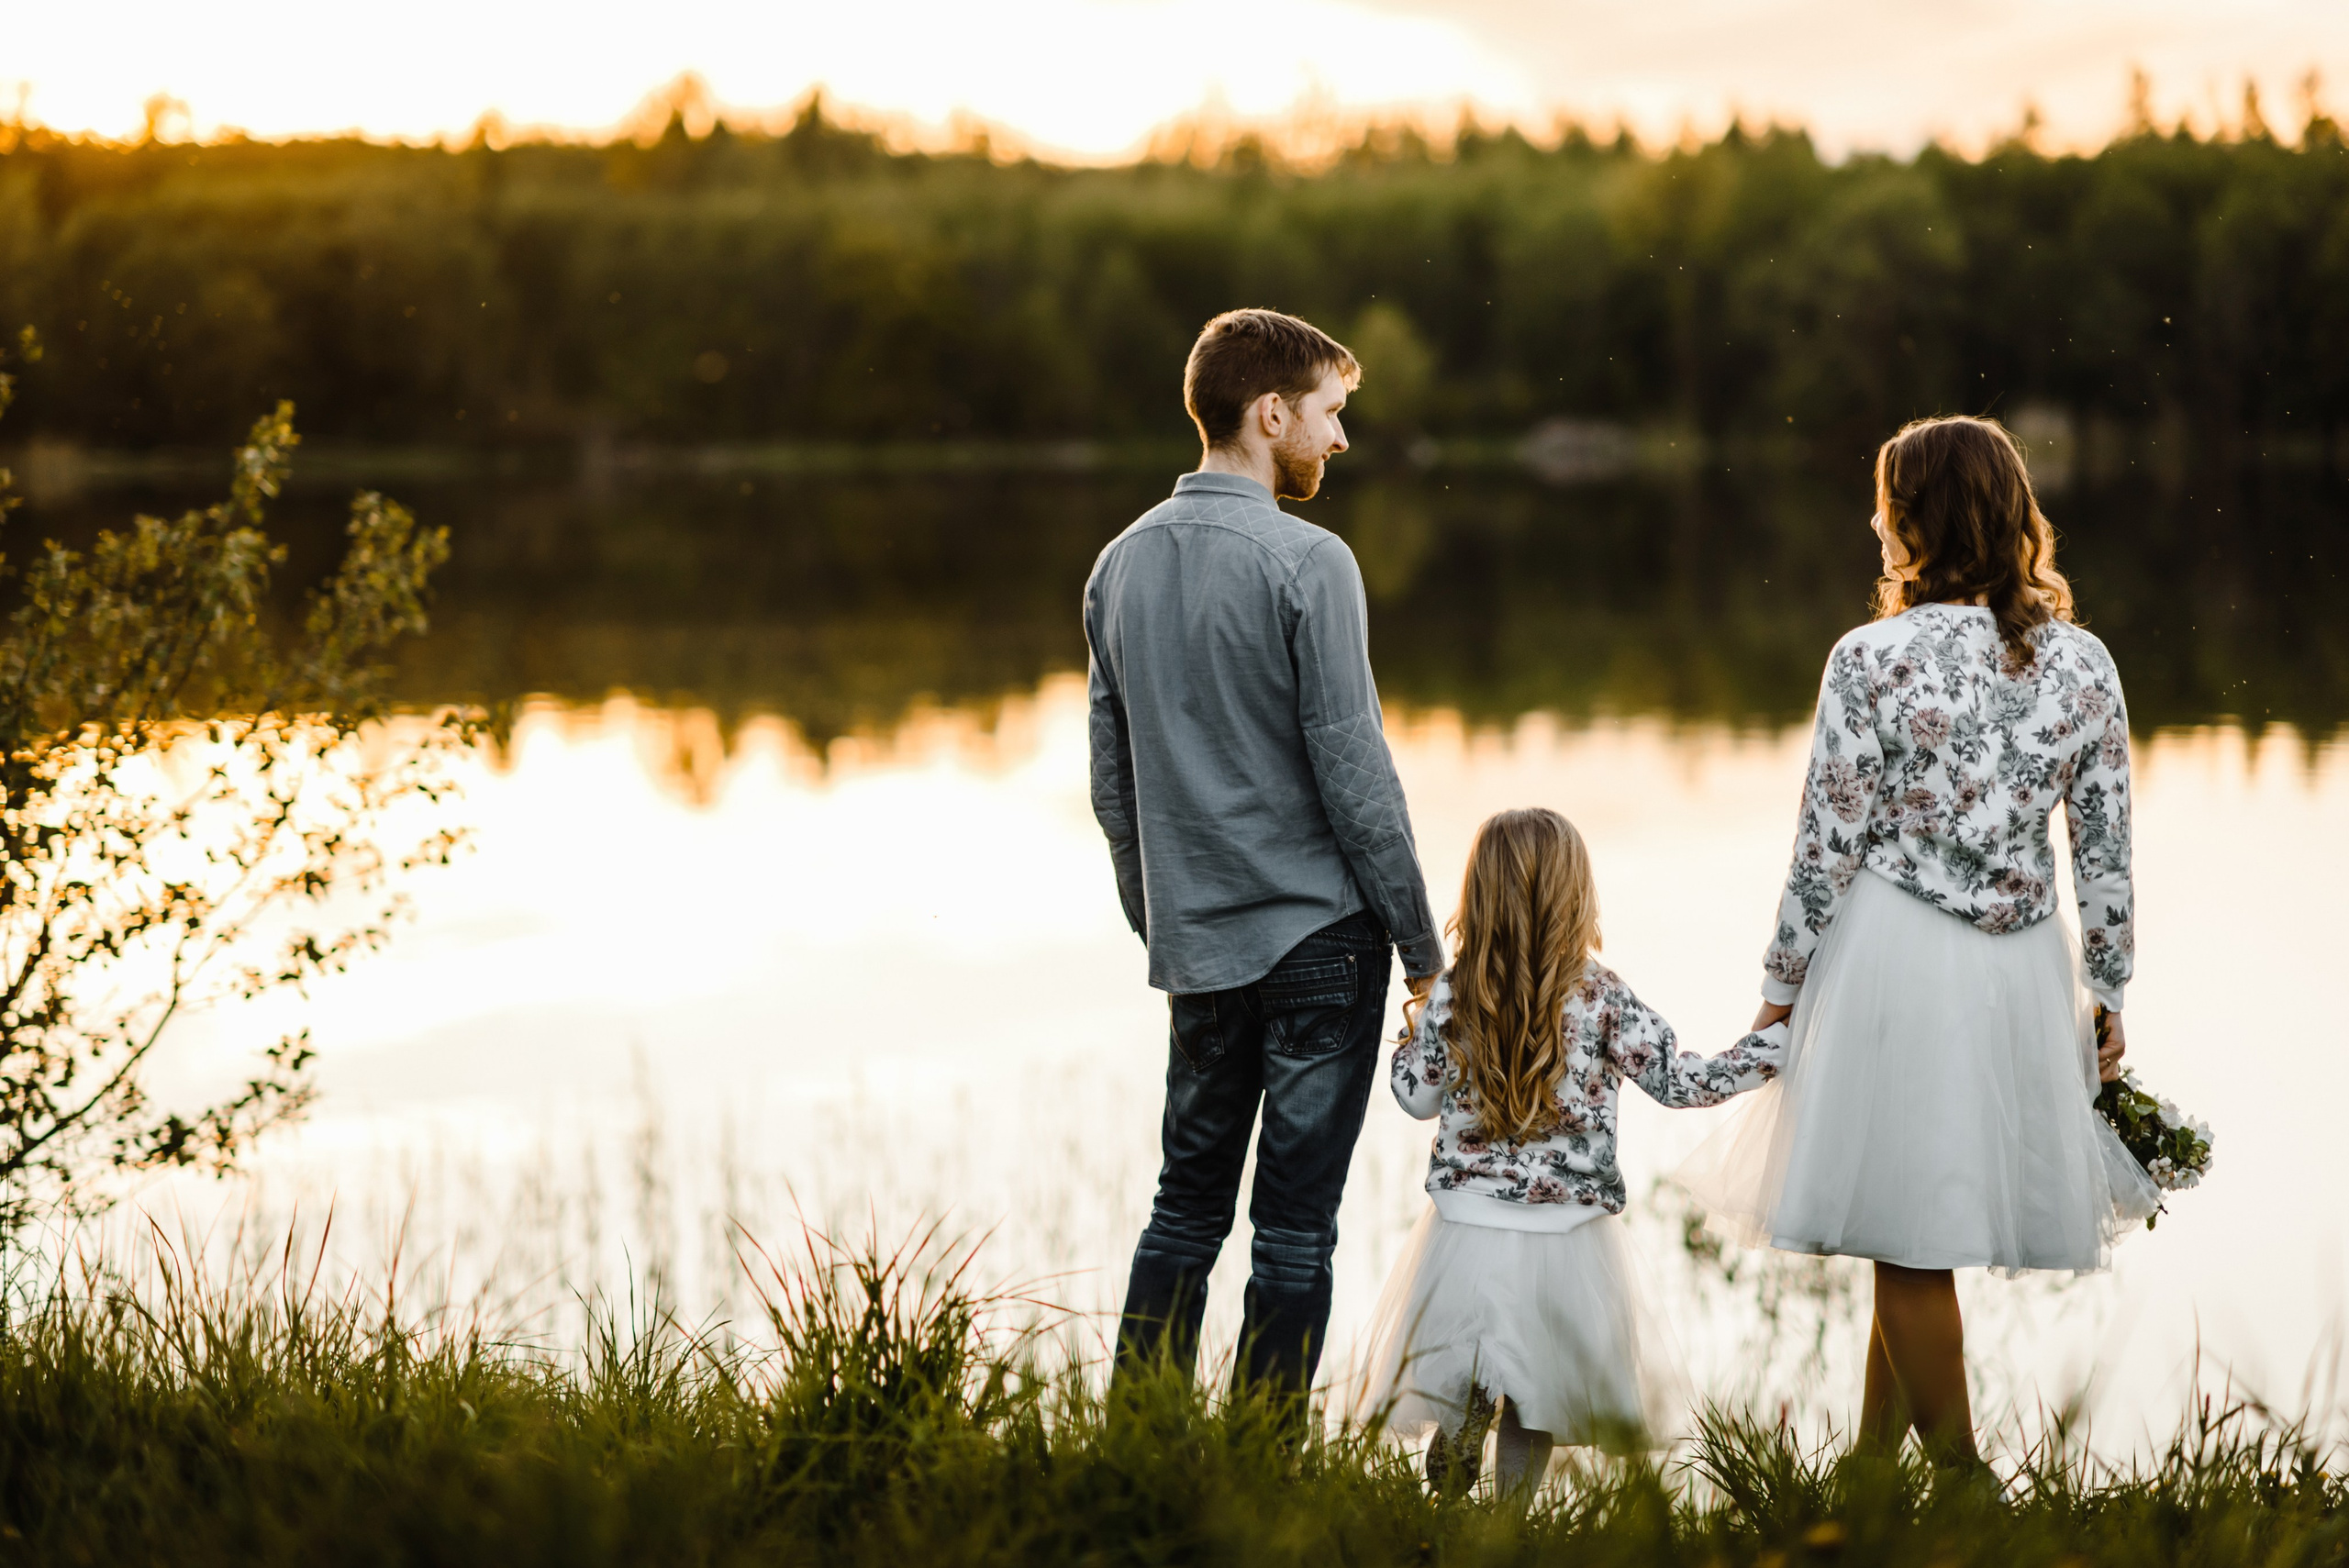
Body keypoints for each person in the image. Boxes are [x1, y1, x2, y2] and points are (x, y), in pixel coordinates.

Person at [1676, 415, 2161, 1465]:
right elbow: (2106, 850)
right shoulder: (2084, 663)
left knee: (1906, 1231)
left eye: (1883, 503)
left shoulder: (1869, 658)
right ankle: (1866, 1479)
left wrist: (1778, 986)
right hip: (2024, 965)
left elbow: (1825, 843)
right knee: (1912, 1218)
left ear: (1915, 521)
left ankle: (1960, 1486)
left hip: (1895, 955)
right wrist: (2107, 985)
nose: (1870, 520)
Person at [1087, 308, 1444, 1399]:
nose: (1338, 441)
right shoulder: (1310, 562)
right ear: (1270, 411)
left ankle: (1139, 1445)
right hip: (1318, 946)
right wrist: (1425, 952)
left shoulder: (1117, 564)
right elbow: (1358, 779)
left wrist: (1168, 919)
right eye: (1330, 414)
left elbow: (1113, 788)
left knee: (1181, 1209)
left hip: (1200, 946)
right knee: (1292, 1231)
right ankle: (1262, 1470)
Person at [1354, 806, 1788, 1496]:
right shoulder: (1602, 996)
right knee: (1539, 1390)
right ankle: (1509, 1525)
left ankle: (1464, 1420)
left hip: (1467, 1228)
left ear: (1479, 895)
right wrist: (1777, 1047)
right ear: (1576, 894)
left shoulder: (1456, 994)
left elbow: (1414, 1096)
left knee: (1479, 1356)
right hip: (1566, 1233)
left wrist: (1414, 1032)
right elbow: (1682, 1082)